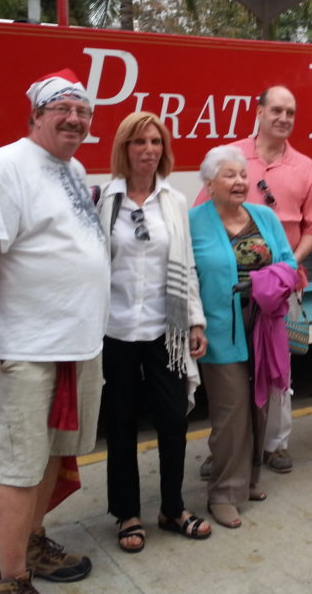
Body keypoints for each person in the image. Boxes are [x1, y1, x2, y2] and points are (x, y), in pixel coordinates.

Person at [0, 69, 109, 594]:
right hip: (30, 350)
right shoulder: (3, 167)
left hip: (77, 345)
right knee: (21, 464)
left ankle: (33, 543)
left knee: (52, 455)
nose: (74, 118)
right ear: (36, 115)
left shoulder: (71, 166)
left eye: (83, 111)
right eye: (61, 108)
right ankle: (12, 578)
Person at [195, 86, 312, 477]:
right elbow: (203, 213)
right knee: (229, 375)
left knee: (277, 367)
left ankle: (275, 444)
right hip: (227, 287)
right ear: (259, 111)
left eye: (290, 111)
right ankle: (227, 447)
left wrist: (283, 270)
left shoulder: (305, 167)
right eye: (276, 110)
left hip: (281, 286)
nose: (283, 118)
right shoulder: (231, 158)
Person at [97, 112, 211, 553]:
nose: (149, 150)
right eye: (139, 142)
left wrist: (195, 319)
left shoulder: (173, 201)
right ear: (124, 149)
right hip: (118, 330)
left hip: (168, 331)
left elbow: (186, 265)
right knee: (122, 424)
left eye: (156, 141)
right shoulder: (104, 200)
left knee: (172, 420)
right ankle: (127, 513)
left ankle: (172, 508)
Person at [190, 145, 297, 529]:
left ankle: (248, 480)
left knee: (259, 405)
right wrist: (192, 322)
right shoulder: (193, 222)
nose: (239, 182)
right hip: (220, 330)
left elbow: (288, 261)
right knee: (231, 411)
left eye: (242, 175)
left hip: (263, 326)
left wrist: (265, 282)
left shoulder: (264, 216)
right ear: (209, 182)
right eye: (229, 175)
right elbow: (185, 276)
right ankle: (222, 493)